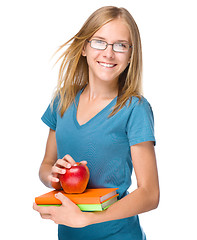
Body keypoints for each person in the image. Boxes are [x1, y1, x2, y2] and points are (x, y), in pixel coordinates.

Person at [33, 6, 160, 240]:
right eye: (100, 42)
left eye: (120, 45)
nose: (109, 53)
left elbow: (150, 194)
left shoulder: (135, 108)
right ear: (84, 47)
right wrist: (53, 175)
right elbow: (46, 166)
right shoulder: (62, 100)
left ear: (131, 54)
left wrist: (88, 219)